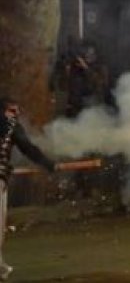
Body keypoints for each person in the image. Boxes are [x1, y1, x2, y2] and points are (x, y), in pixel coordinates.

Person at [0, 96, 57, 281]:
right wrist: (48, 164)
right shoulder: (9, 125)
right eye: (12, 111)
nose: (16, 115)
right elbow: (27, 148)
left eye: (17, 111)